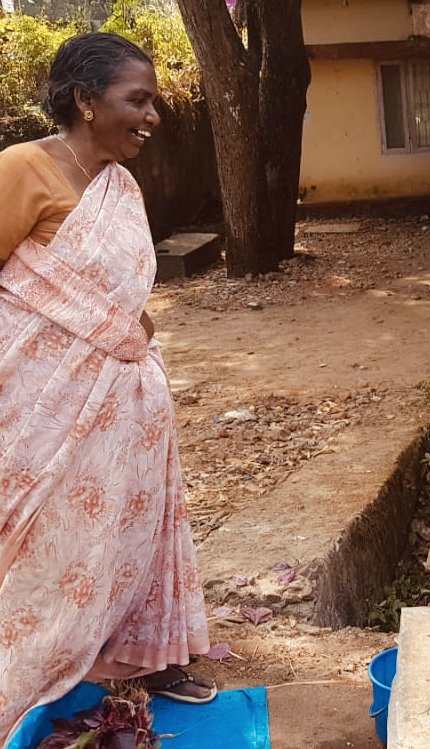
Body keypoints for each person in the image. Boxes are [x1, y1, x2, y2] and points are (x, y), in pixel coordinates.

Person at [0, 33, 215, 741]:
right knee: (42, 539)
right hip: (39, 405)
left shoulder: (119, 185)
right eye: (138, 100)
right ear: (87, 102)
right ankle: (28, 670)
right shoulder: (23, 168)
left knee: (122, 532)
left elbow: (117, 293)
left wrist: (131, 340)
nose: (152, 116)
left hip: (125, 407)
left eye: (152, 100)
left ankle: (130, 657)